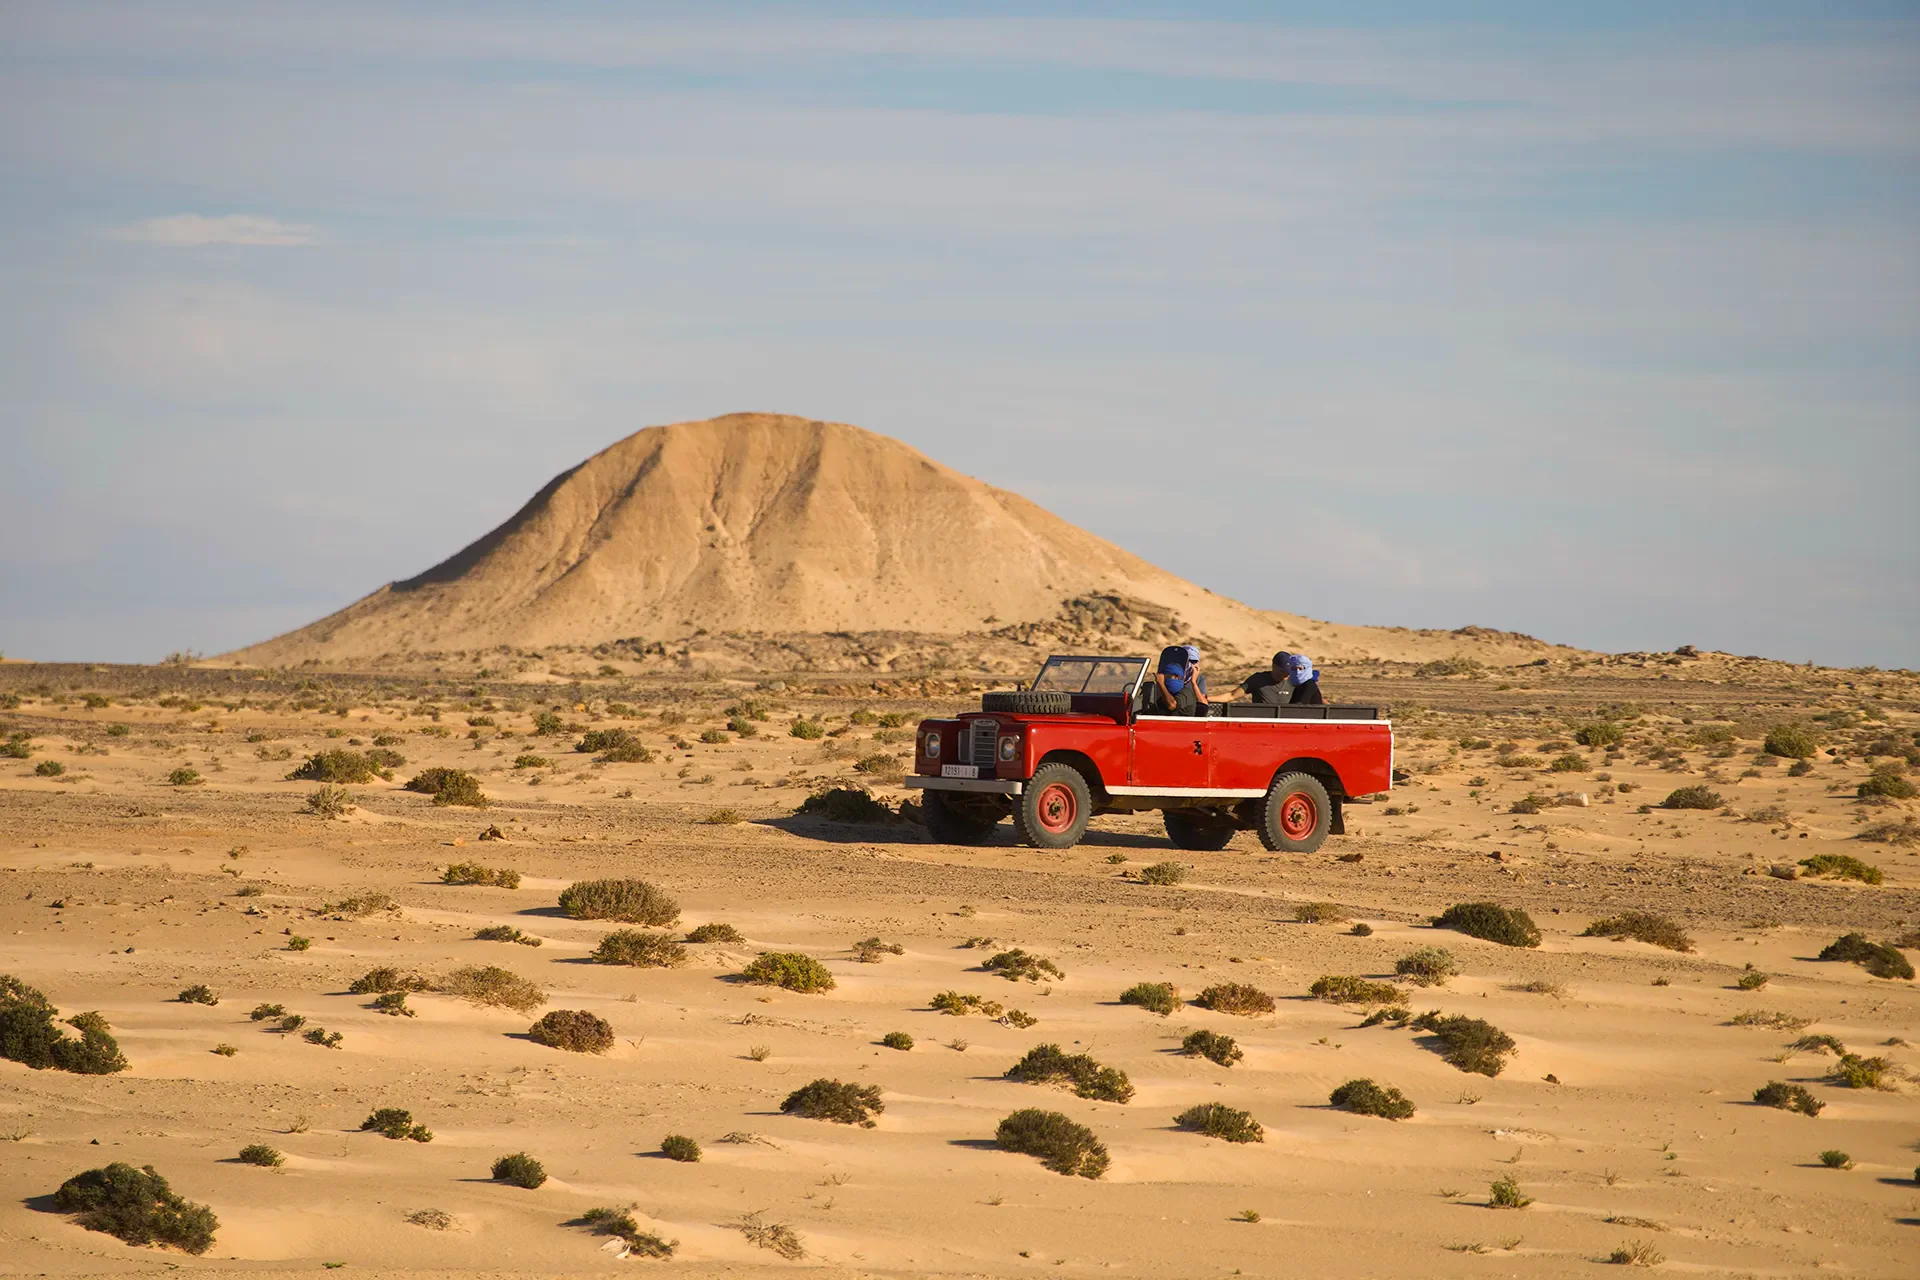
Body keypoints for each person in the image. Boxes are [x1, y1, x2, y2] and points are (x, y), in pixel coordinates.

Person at [1147, 644, 1209, 716]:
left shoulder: (1187, 691)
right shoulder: (1170, 677)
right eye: (1188, 661)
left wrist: (1193, 682)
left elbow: (1203, 706)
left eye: (1193, 661)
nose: (1190, 664)